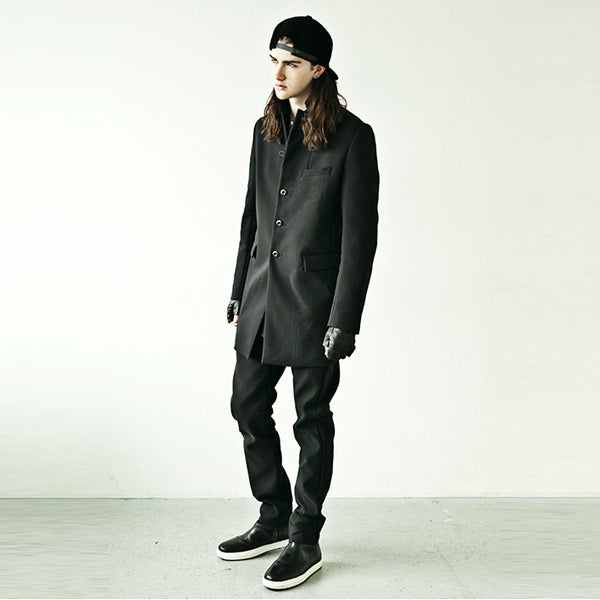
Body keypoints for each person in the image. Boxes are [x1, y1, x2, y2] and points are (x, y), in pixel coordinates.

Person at [217, 15, 380, 590]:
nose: (279, 73)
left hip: (316, 307)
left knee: (311, 420)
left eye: (291, 63)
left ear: (318, 68)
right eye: (274, 61)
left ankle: (305, 535)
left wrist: (345, 319)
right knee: (246, 406)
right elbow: (251, 217)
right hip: (261, 298)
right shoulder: (264, 130)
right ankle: (273, 516)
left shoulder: (353, 137)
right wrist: (237, 289)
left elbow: (360, 238)